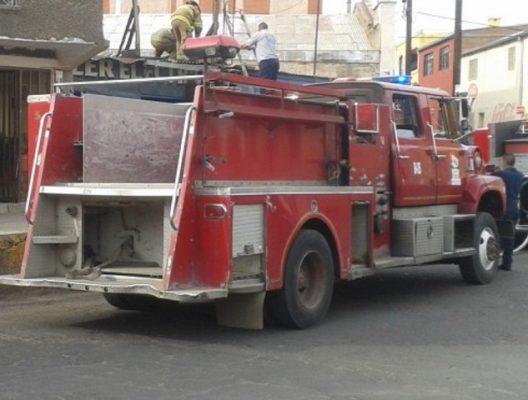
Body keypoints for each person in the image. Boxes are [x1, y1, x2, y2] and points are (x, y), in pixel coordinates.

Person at [493, 153, 524, 271]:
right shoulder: (520, 175)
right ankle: (507, 263)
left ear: (505, 161)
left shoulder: (501, 174)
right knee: (510, 236)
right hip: (514, 208)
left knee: (497, 235)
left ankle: (493, 260)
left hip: (503, 208)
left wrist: (496, 169)